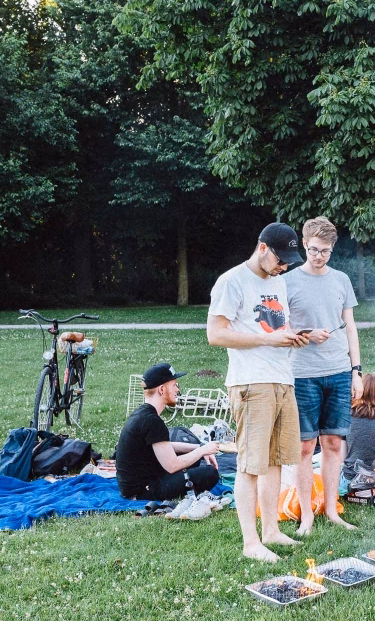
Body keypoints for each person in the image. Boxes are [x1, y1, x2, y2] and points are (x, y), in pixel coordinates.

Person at [207, 222, 310, 562]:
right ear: (262, 247)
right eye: (281, 259)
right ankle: (251, 543)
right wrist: (269, 339)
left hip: (283, 379)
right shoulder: (231, 281)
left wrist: (298, 335)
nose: (284, 266)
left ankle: (271, 530)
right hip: (251, 382)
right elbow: (216, 334)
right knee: (250, 464)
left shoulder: (277, 282)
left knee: (276, 461)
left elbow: (275, 327)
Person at [287, 216, 362, 534]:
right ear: (304, 244)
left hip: (338, 372)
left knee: (333, 443)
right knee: (304, 448)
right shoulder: (287, 282)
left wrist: (356, 371)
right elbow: (278, 329)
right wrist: (305, 333)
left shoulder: (341, 280)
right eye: (315, 249)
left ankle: (331, 510)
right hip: (302, 375)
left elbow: (351, 326)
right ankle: (306, 516)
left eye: (326, 251)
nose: (319, 256)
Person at [116, 363, 221, 500]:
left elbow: (165, 447)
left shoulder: (144, 413)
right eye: (174, 385)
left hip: (136, 484)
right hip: (143, 491)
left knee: (193, 459)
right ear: (161, 389)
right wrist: (202, 451)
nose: (178, 390)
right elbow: (172, 466)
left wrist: (200, 448)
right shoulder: (152, 420)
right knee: (210, 474)